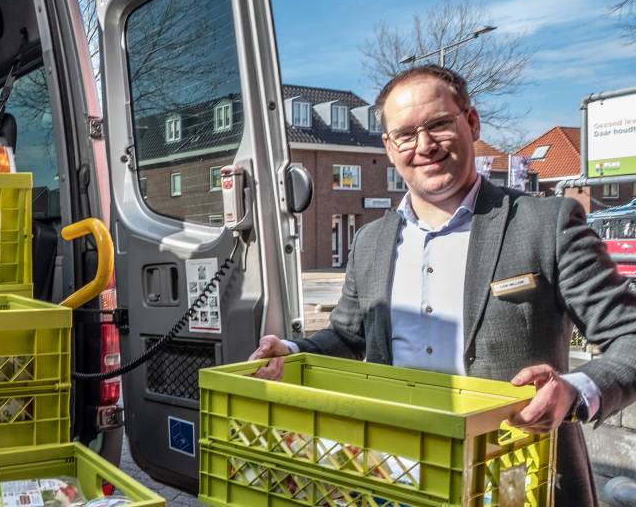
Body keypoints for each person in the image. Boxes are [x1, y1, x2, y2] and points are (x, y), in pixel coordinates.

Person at [251, 65, 636, 503]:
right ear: (389, 147)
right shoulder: (370, 241)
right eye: (405, 134)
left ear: (471, 122)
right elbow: (348, 336)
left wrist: (573, 391)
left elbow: (629, 335)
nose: (424, 146)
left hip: (516, 482)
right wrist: (293, 351)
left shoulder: (546, 224)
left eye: (437, 124)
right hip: (392, 478)